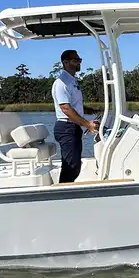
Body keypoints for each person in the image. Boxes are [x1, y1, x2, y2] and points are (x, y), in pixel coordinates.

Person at [52, 48, 99, 183]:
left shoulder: (72, 81)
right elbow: (65, 108)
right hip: (66, 128)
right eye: (75, 60)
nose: (79, 62)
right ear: (65, 62)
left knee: (75, 165)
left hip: (73, 128)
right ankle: (62, 195)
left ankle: (66, 191)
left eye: (79, 60)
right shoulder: (61, 83)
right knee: (71, 165)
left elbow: (74, 105)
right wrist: (88, 124)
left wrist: (92, 110)